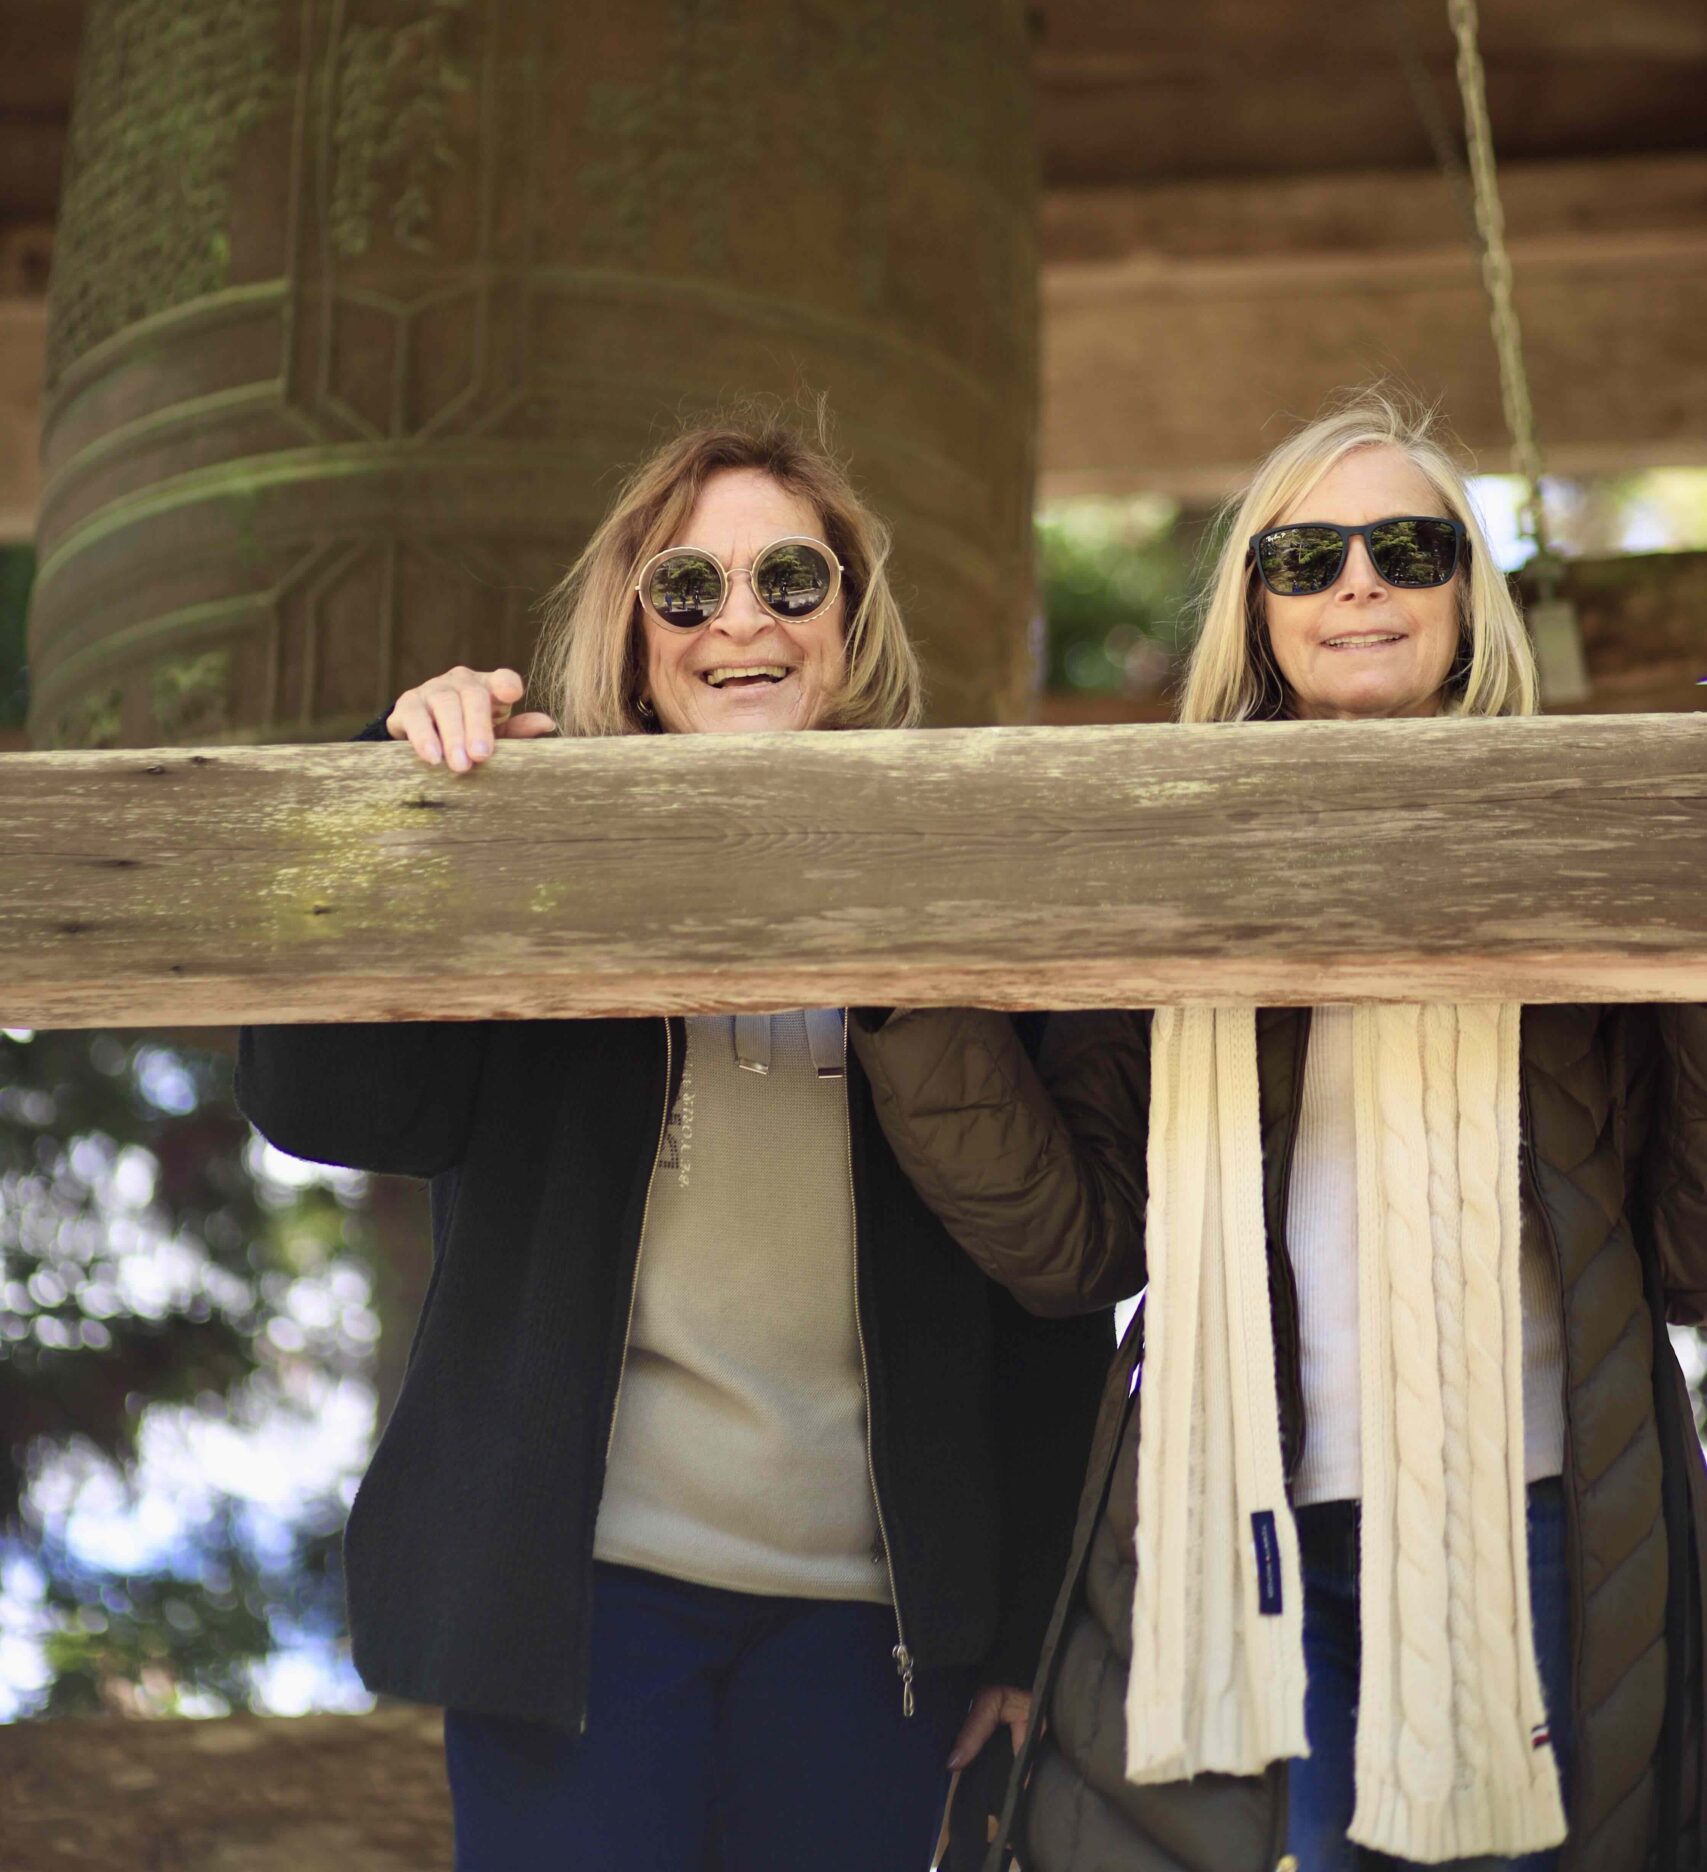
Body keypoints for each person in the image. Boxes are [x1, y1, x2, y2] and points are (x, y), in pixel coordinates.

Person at [235, 410, 1110, 1872]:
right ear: (634, 638)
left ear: (851, 621)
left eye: (791, 580)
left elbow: (1042, 1297)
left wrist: (1020, 1630)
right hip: (573, 1612)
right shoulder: (529, 884)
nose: (739, 624)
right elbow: (320, 1101)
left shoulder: (960, 907)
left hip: (872, 1642)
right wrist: (399, 808)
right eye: (686, 590)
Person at [850, 393, 1707, 1872]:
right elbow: (1069, 1245)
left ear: (1468, 596)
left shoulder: (1580, 853)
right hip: (1259, 1535)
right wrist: (895, 987)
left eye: (1407, 546)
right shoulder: (1168, 875)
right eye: (1305, 556)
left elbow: (1693, 1247)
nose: (1358, 581)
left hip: (1546, 1516)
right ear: (1255, 611)